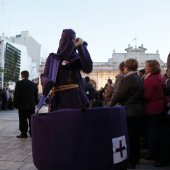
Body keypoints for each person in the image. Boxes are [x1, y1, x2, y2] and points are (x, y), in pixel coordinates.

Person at [41, 29, 93, 111]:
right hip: (58, 100)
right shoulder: (53, 58)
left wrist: (81, 47)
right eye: (66, 39)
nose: (69, 43)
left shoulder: (77, 58)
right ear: (61, 41)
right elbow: (45, 75)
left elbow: (88, 68)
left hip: (75, 99)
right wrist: (47, 82)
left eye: (72, 40)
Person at [108, 58, 143, 169]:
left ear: (126, 67)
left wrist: (109, 105)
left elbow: (119, 94)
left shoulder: (129, 78)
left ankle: (132, 161)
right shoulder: (137, 77)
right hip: (136, 110)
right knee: (135, 137)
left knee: (131, 136)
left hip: (130, 111)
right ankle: (134, 159)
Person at [142, 60, 166, 161]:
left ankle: (152, 153)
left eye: (146, 66)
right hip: (161, 107)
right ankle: (158, 152)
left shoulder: (150, 79)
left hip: (151, 109)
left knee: (151, 133)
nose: (145, 67)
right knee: (158, 132)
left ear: (151, 67)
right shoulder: (160, 77)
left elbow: (146, 96)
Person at [14, 70, 38, 138]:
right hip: (31, 105)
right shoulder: (33, 84)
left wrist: (15, 104)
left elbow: (17, 95)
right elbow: (35, 95)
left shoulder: (19, 83)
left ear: (22, 75)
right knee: (31, 119)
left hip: (22, 105)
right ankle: (32, 133)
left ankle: (24, 133)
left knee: (23, 119)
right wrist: (35, 102)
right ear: (28, 75)